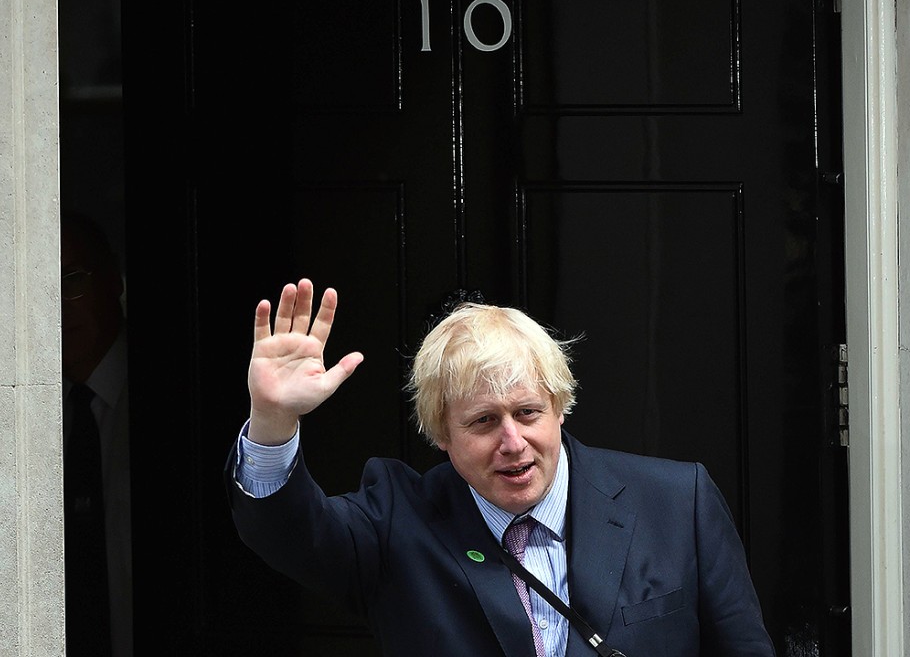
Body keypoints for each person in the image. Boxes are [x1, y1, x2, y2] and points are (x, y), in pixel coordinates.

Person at [225, 278, 776, 656]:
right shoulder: (398, 520)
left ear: (560, 406)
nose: (513, 441)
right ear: (442, 435)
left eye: (528, 413)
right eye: (484, 422)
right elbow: (290, 532)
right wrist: (272, 419)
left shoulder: (677, 501)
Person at [61, 209, 132, 656]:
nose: (56, 305)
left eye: (72, 279)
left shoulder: (177, 395)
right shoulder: (23, 417)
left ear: (114, 280)